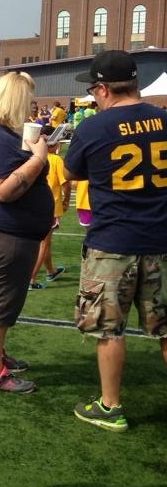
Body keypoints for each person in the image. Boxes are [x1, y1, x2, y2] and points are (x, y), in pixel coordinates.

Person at [64, 50, 167, 432]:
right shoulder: (164, 120)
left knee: (109, 329)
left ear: (103, 89)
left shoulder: (94, 127)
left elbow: (72, 172)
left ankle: (110, 406)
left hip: (112, 242)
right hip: (161, 239)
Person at [0, 70, 54, 393]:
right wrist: (39, 159)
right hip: (2, 233)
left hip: (4, 230)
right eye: (27, 100)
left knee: (0, 302)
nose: (31, 106)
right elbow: (1, 190)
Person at [29, 130, 71, 289]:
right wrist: (66, 201)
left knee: (45, 241)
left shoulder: (34, 157)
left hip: (34, 205)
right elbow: (66, 184)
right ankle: (31, 279)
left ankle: (50, 271)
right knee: (44, 243)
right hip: (50, 206)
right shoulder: (56, 160)